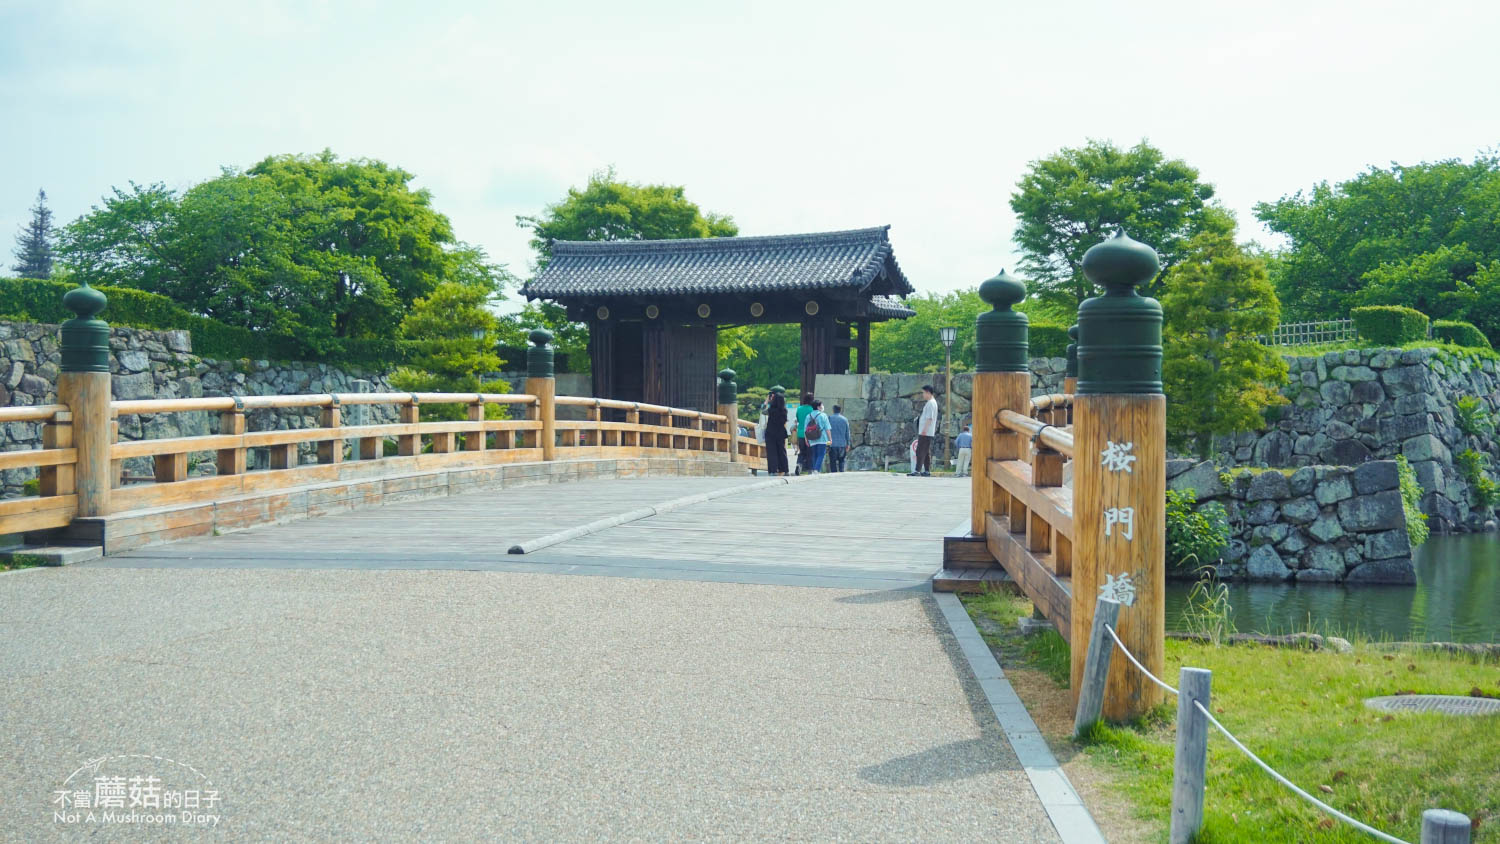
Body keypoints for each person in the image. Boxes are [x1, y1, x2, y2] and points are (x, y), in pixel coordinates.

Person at [910, 385, 938, 477]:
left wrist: (924, 430)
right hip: (928, 432)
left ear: (928, 392)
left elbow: (929, 418)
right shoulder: (932, 403)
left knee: (920, 451)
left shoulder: (930, 403)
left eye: (923, 393)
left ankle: (917, 470)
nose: (923, 395)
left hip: (926, 432)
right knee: (926, 452)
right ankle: (926, 470)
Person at [764, 388, 789, 476]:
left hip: (770, 433)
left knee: (772, 452)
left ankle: (773, 470)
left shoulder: (771, 410)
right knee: (782, 451)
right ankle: (785, 470)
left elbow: (763, 411)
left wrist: (767, 401)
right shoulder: (784, 411)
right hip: (781, 433)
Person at [802, 399, 831, 473]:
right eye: (821, 405)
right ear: (818, 407)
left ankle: (815, 470)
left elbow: (805, 429)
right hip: (822, 438)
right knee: (821, 454)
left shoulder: (808, 416)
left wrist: (806, 440)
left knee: (814, 455)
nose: (822, 406)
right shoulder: (823, 415)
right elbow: (827, 428)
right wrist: (830, 439)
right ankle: (816, 470)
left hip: (811, 439)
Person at [793, 392, 815, 475]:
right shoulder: (812, 410)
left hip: (801, 433)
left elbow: (798, 420)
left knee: (802, 452)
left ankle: (799, 464)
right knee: (810, 452)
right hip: (810, 434)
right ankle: (810, 469)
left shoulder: (799, 408)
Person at [827, 404, 851, 473]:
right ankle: (841, 473)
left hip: (832, 444)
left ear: (833, 410)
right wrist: (848, 444)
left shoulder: (829, 418)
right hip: (842, 444)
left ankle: (833, 474)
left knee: (832, 461)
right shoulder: (845, 419)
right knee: (842, 461)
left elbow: (827, 433)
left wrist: (827, 444)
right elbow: (847, 433)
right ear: (840, 410)